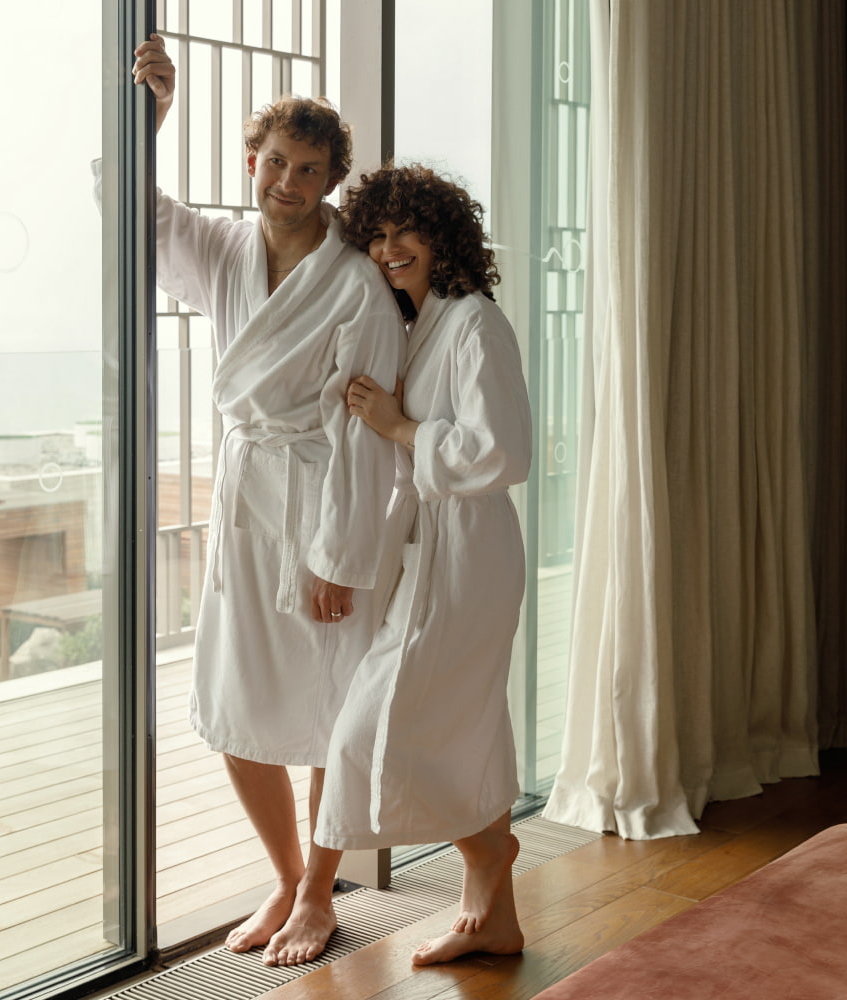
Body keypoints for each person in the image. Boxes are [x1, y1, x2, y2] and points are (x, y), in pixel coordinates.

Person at [124, 36, 404, 965]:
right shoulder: (224, 249)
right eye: (276, 161)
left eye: (309, 169)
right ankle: (284, 876)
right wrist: (152, 121)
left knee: (331, 709)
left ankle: (321, 893)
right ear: (253, 159)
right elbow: (134, 214)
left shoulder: (357, 283)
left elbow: (367, 432)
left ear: (332, 180)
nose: (288, 182)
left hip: (321, 505)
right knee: (236, 701)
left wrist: (341, 557)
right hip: (247, 502)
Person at [311, 163, 533, 965]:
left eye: (405, 230)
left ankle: (489, 852)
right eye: (375, 235)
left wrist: (400, 426)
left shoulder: (474, 324)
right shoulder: (416, 325)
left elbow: (505, 451)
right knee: (470, 724)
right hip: (434, 546)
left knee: (372, 727)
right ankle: (495, 918)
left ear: (442, 236)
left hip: (469, 552)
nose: (389, 248)